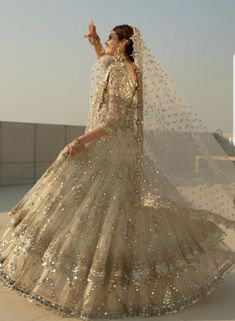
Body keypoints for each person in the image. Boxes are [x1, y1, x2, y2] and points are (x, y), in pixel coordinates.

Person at [0, 22, 235, 320]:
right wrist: (96, 42)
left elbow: (112, 121)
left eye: (111, 37)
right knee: (122, 216)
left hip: (108, 152)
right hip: (126, 155)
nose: (107, 43)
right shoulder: (133, 72)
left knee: (82, 208)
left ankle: (93, 284)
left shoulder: (116, 72)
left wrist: (79, 142)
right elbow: (106, 65)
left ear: (123, 42)